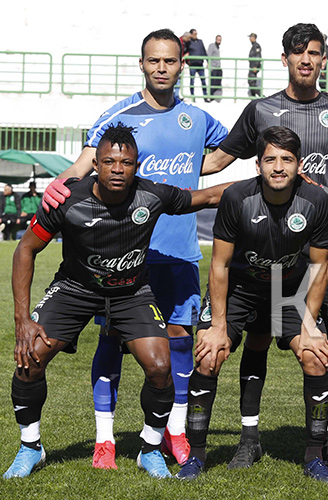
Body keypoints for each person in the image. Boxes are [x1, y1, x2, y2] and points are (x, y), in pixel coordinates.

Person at [202, 22, 328, 469]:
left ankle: (324, 441)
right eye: (297, 53)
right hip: (261, 249)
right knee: (254, 341)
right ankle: (249, 439)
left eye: (313, 52)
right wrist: (154, 168)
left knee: (326, 343)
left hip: (320, 251)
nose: (306, 60)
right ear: (285, 59)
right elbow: (216, 161)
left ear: (323, 60)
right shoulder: (259, 111)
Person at [40, 28, 229, 471]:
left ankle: (173, 434)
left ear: (183, 65)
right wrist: (57, 187)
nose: (162, 68)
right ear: (142, 64)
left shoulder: (198, 119)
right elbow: (86, 164)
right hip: (125, 257)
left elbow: (220, 158)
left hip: (181, 251)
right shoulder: (120, 116)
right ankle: (105, 440)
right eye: (154, 61)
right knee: (112, 341)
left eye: (170, 61)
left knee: (180, 342)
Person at [4, 124, 231, 480]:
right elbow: (25, 249)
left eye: (125, 163)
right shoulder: (69, 201)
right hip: (75, 289)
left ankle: (150, 448)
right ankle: (30, 447)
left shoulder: (151, 195)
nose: (117, 169)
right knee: (29, 358)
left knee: (160, 366)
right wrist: (22, 320)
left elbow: (208, 197)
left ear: (137, 166)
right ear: (95, 163)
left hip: (131, 293)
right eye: (109, 161)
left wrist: (274, 181)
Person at [177, 126, 328, 482]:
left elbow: (320, 266)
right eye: (270, 159)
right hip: (239, 290)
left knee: (315, 356)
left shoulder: (318, 201)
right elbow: (218, 265)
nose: (278, 167)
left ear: (298, 165)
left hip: (289, 292)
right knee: (208, 355)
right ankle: (197, 456)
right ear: (258, 165)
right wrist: (217, 326)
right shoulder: (237, 198)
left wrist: (310, 326)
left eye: (287, 160)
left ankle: (314, 456)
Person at [187, 29, 208, 101]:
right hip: (192, 65)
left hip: (200, 64)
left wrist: (208, 61)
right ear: (191, 34)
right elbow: (185, 52)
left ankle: (205, 97)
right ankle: (193, 97)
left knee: (203, 81)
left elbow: (204, 51)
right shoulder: (189, 42)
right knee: (192, 81)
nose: (196, 35)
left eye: (196, 34)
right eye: (194, 34)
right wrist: (187, 61)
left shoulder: (200, 42)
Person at [206, 35, 222, 102]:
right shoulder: (212, 46)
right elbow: (208, 55)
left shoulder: (218, 47)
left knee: (217, 82)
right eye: (218, 40)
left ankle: (215, 96)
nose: (219, 41)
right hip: (213, 67)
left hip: (218, 67)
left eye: (220, 40)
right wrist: (209, 63)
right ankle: (211, 96)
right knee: (213, 82)